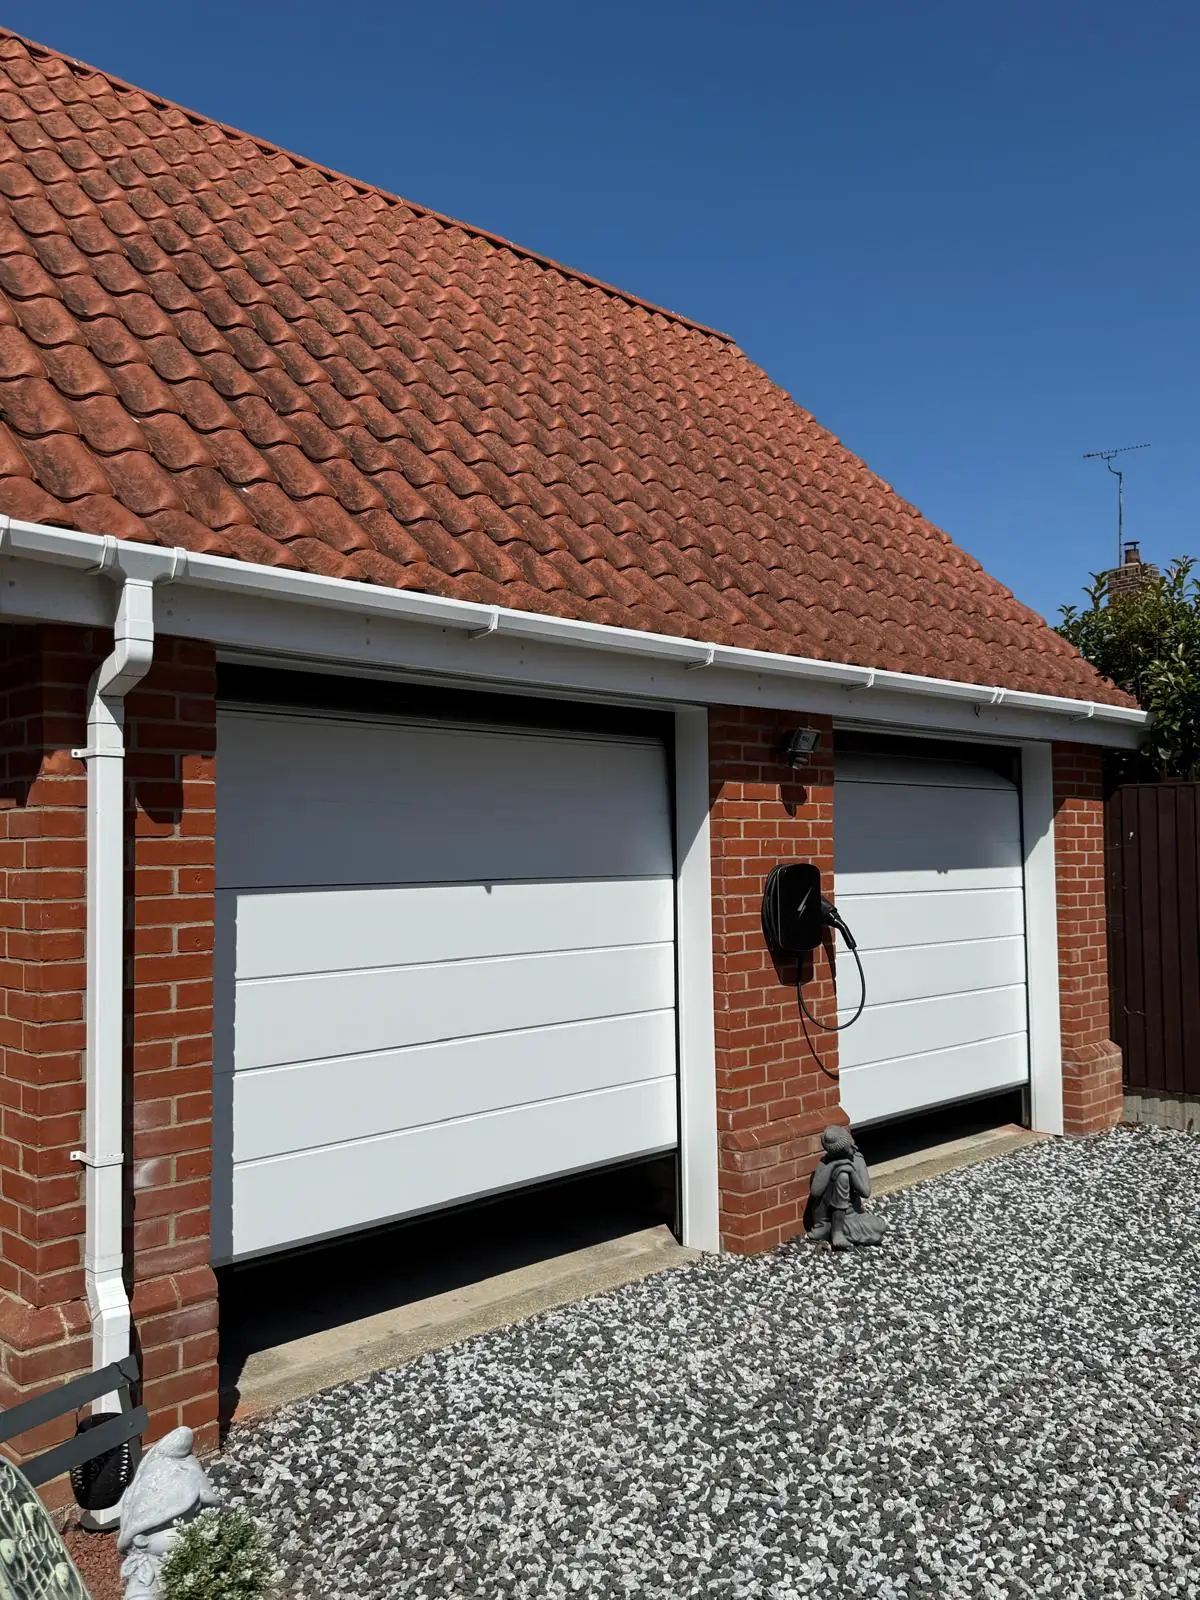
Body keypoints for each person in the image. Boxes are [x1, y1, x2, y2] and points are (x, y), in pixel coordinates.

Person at [807, 1125, 887, 1249]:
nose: (854, 1148)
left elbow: (865, 1192)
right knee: (842, 1176)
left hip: (851, 1216)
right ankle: (837, 1233)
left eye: (852, 1144)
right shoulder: (825, 1163)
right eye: (849, 1148)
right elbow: (815, 1192)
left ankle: (834, 1230)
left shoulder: (857, 1159)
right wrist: (835, 1165)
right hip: (826, 1218)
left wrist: (852, 1171)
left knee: (880, 1226)